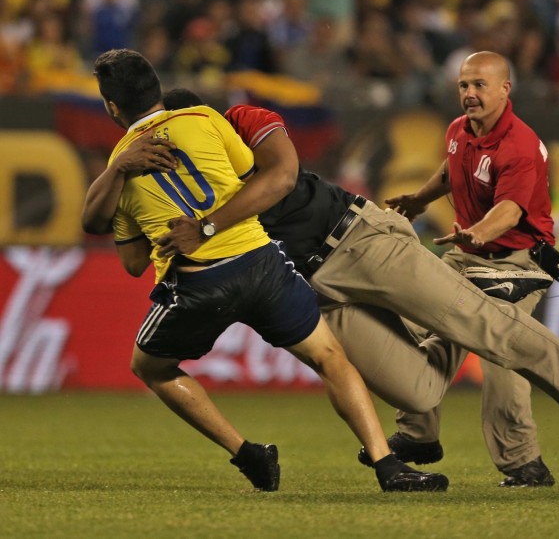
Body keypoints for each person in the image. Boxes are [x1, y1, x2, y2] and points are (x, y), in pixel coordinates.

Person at [156, 86, 559, 487]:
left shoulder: (242, 122)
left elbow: (284, 176)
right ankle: (482, 284)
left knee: (488, 329)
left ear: (204, 122)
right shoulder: (179, 189)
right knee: (418, 393)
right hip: (319, 290)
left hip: (361, 241)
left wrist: (206, 226)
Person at [80, 48, 449, 494]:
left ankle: (247, 452)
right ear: (157, 89)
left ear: (112, 107)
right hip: (262, 264)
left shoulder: (116, 171)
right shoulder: (207, 120)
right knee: (330, 358)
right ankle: (388, 466)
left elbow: (133, 262)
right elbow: (250, 176)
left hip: (198, 283)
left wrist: (126, 176)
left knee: (151, 367)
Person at [384, 50, 559, 486]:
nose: (469, 94)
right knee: (424, 331)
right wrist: (419, 199)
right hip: (468, 255)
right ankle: (418, 437)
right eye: (464, 86)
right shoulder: (458, 130)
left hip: (516, 263)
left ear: (505, 89)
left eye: (479, 85)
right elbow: (451, 170)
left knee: (502, 352)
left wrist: (479, 232)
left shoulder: (521, 146)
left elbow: (509, 209)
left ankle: (525, 464)